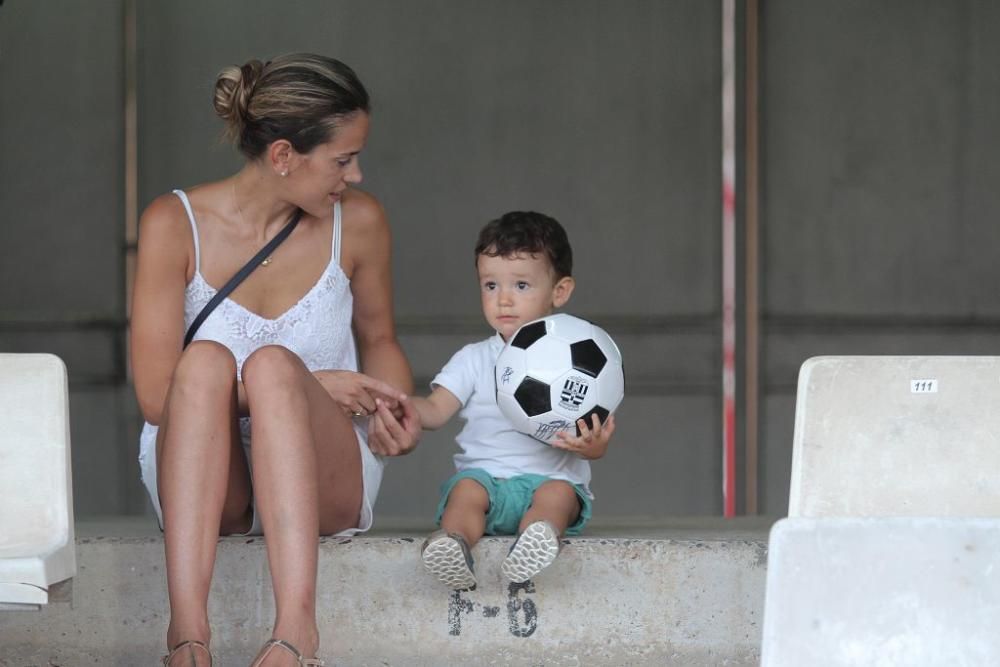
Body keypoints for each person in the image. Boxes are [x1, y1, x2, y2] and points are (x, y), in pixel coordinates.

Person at [130, 54, 420, 667]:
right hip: (204, 474)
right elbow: (158, 397)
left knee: (271, 366)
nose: (358, 175)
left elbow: (381, 339)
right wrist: (311, 383)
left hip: (323, 469)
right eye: (343, 159)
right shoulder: (172, 223)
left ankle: (294, 633)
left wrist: (397, 406)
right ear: (285, 155)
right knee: (207, 362)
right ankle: (187, 637)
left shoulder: (359, 223)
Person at [396, 211, 616, 590]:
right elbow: (435, 410)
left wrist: (593, 448)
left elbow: (590, 447)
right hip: (486, 479)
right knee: (465, 494)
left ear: (559, 291)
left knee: (559, 496)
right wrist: (399, 406)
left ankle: (536, 539)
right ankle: (454, 545)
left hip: (550, 478)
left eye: (522, 285)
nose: (504, 299)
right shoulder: (473, 357)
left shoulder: (578, 358)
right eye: (491, 285)